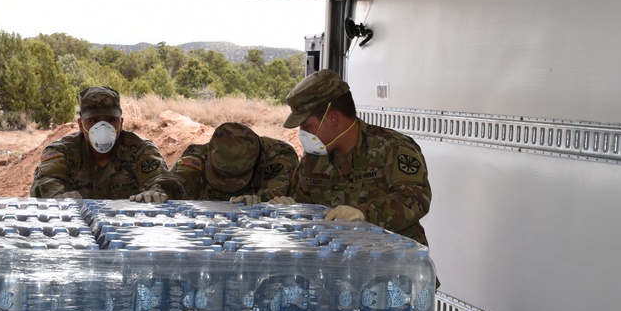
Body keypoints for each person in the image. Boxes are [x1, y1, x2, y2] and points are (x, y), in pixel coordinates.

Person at [273, 69, 431, 245]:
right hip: (339, 263)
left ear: (332, 119)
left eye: (306, 126)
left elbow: (415, 199)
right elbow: (304, 203)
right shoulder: (314, 158)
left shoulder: (392, 148)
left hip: (394, 262)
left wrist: (364, 214)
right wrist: (289, 207)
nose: (302, 133)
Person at [30, 86, 168, 199]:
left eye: (111, 120)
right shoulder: (63, 151)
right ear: (80, 125)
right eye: (94, 120)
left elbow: (161, 183)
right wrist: (57, 197)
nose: (103, 127)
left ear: (121, 123)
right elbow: (45, 182)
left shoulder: (141, 150)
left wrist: (155, 193)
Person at [129, 122, 298, 205]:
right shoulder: (198, 153)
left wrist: (259, 202)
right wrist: (157, 192)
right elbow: (178, 180)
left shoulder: (277, 155)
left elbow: (276, 193)